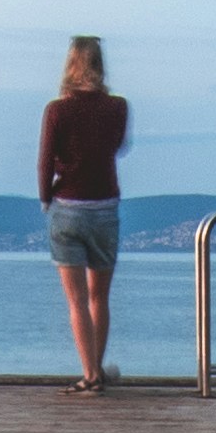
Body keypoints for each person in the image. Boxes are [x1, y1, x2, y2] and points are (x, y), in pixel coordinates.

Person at [37, 36, 131, 390]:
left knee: (76, 300)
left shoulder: (57, 110)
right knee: (99, 297)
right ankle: (97, 371)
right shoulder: (117, 107)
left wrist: (46, 196)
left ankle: (90, 373)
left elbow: (45, 160)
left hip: (67, 209)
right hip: (105, 206)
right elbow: (115, 146)